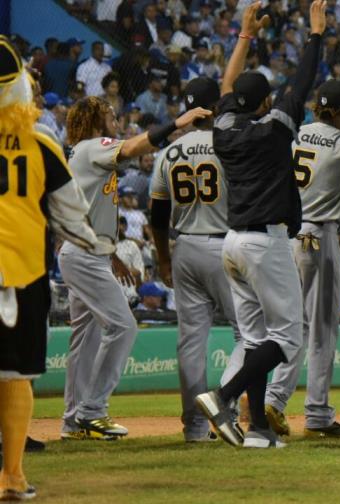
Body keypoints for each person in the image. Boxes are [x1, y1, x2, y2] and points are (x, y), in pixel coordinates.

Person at [195, 0, 325, 450]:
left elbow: (228, 85)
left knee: (255, 340)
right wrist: (316, 34)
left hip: (231, 243)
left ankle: (259, 431)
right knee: (289, 337)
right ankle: (223, 396)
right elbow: (304, 81)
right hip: (265, 244)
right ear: (266, 101)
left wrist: (245, 36)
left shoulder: (224, 128)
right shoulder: (274, 130)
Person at [60, 90, 210, 440]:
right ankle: (93, 411)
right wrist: (176, 123)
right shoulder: (92, 145)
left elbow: (90, 211)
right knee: (124, 327)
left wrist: (111, 254)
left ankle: (72, 422)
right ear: (98, 122)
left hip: (88, 252)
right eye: (111, 116)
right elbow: (131, 147)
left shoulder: (85, 154)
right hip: (83, 257)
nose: (117, 119)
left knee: (84, 341)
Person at [0, 36, 113, 500]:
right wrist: (97, 243)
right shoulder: (41, 140)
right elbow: (71, 214)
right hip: (22, 271)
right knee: (15, 377)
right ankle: (13, 478)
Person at [148, 76, 245, 443]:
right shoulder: (228, 144)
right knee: (249, 333)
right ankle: (224, 404)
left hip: (183, 246)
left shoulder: (168, 152)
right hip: (224, 243)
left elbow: (158, 215)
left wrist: (164, 260)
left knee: (190, 340)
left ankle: (194, 427)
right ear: (215, 108)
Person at [261, 79, 340, 438]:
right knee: (322, 330)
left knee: (294, 324)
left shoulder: (295, 133)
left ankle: (275, 397)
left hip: (287, 235)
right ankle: (315, 411)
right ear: (339, 110)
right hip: (321, 235)